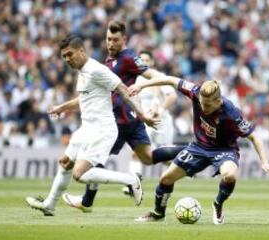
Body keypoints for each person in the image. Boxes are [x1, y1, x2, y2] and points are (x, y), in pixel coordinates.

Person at [25, 34, 158, 216]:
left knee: (79, 174)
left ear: (81, 51)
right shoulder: (82, 72)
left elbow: (123, 91)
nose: (67, 59)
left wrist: (142, 115)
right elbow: (84, 99)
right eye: (64, 56)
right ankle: (49, 204)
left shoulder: (97, 70)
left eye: (70, 54)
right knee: (65, 162)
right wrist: (61, 108)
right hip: (86, 129)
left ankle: (130, 179)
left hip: (102, 130)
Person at [62, 20, 184, 212]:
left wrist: (159, 84)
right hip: (131, 119)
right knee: (148, 157)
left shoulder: (128, 58)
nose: (111, 43)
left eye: (115, 40)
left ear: (124, 39)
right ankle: (191, 150)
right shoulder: (110, 60)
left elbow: (150, 73)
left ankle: (87, 201)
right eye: (108, 39)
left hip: (117, 120)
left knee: (95, 160)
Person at [128, 76, 269, 224]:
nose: (203, 107)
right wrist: (143, 85)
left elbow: (254, 137)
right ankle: (158, 214)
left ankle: (218, 204)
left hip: (224, 149)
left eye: (207, 105)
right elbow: (170, 80)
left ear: (218, 102)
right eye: (201, 103)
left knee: (230, 176)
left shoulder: (232, 113)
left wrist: (264, 161)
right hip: (199, 147)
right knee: (166, 178)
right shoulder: (195, 91)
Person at [122, 50, 177, 194]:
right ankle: (134, 184)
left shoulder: (158, 77)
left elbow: (172, 96)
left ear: (152, 62)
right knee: (138, 152)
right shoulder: (134, 79)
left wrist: (161, 110)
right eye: (142, 60)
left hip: (162, 122)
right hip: (144, 120)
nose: (144, 63)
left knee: (165, 157)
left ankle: (171, 180)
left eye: (147, 60)